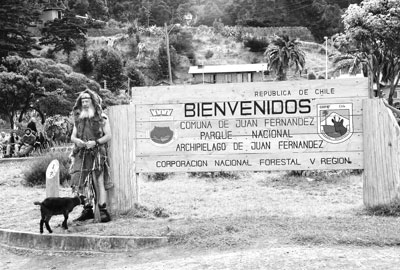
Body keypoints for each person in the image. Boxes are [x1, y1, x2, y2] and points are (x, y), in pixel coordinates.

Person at [69, 89, 112, 223]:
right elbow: (72, 137)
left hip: (97, 152)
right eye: (83, 101)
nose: (85, 103)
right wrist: (78, 142)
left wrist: (95, 142)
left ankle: (103, 211)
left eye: (87, 100)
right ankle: (87, 209)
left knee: (98, 181)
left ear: (93, 101)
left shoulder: (102, 118)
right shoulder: (78, 119)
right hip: (82, 153)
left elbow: (108, 136)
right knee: (81, 182)